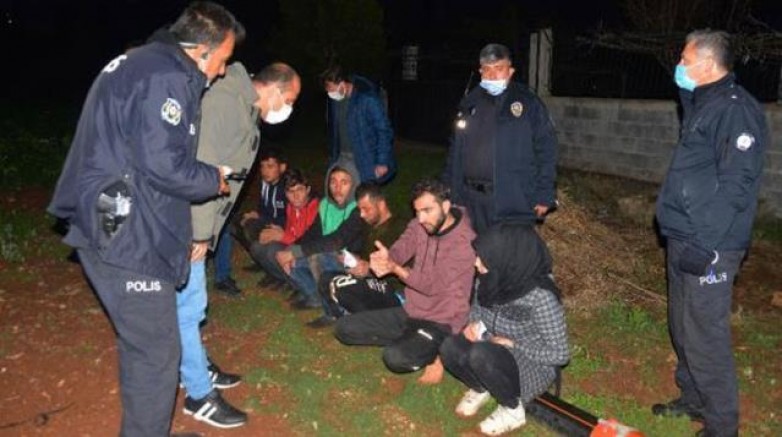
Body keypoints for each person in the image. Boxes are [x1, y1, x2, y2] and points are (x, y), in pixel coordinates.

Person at [46, 2, 241, 435]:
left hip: (113, 218)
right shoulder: (166, 76)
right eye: (224, 59)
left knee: (146, 347)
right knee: (156, 352)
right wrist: (212, 177)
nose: (224, 70)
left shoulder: (145, 64)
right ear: (203, 51)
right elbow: (163, 164)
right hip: (124, 228)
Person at [653, 30, 767, 437]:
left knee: (705, 336)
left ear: (706, 65)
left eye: (685, 60)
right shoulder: (704, 102)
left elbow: (736, 186)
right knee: (682, 326)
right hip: (684, 234)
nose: (678, 67)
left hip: (710, 242)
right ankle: (693, 399)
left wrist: (706, 244)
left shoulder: (736, 110)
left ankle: (722, 427)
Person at [179, 61, 300, 428]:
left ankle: (195, 366)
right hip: (188, 223)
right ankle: (198, 393)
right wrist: (200, 232)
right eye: (290, 99)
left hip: (199, 222)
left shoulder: (244, 106)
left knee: (187, 306)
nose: (290, 107)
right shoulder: (226, 101)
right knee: (188, 308)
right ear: (275, 89)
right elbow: (202, 168)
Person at [334, 178, 476, 384]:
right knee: (343, 328)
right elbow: (401, 249)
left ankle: (440, 350)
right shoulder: (420, 224)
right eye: (417, 211)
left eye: (427, 210)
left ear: (445, 206)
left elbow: (431, 286)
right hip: (411, 311)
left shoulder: (464, 242)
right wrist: (386, 258)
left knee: (394, 358)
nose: (421, 218)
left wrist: (395, 268)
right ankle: (416, 341)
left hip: (442, 321)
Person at [440, 223, 570, 436]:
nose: (475, 262)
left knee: (480, 355)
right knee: (449, 346)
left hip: (530, 362)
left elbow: (560, 354)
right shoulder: (489, 278)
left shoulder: (541, 296)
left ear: (507, 259)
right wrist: (473, 324)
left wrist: (513, 344)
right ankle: (481, 387)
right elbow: (477, 309)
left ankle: (512, 409)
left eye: (482, 257)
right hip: (491, 344)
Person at [443, 43, 557, 234]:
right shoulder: (469, 103)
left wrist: (545, 194)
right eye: (487, 69)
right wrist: (448, 187)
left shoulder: (528, 102)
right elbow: (455, 150)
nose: (492, 75)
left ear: (510, 71)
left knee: (510, 250)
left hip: (512, 198)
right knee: (474, 248)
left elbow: (546, 149)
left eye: (499, 68)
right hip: (471, 199)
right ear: (480, 72)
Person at [306, 182, 404, 328]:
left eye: (366, 209)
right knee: (322, 265)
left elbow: (400, 265)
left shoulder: (400, 227)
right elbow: (362, 256)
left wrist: (368, 268)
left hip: (389, 286)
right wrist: (353, 258)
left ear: (381, 205)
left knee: (340, 283)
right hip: (364, 274)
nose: (362, 214)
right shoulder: (369, 224)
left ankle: (360, 320)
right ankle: (334, 314)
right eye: (360, 209)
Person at [275, 164, 365, 309]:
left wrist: (296, 252)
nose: (337, 188)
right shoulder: (325, 204)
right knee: (292, 260)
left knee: (315, 257)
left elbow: (337, 241)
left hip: (352, 263)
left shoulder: (359, 209)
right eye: (333, 181)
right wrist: (291, 249)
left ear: (354, 184)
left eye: (344, 182)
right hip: (330, 254)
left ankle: (334, 309)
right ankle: (315, 297)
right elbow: (313, 233)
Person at [321, 65, 396, 184]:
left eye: (332, 89)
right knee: (333, 188)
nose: (330, 93)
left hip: (363, 157)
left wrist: (382, 161)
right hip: (341, 156)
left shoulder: (367, 99)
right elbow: (335, 131)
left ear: (342, 83)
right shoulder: (335, 102)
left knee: (359, 193)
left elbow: (384, 130)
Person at [248, 168, 320, 288]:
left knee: (273, 250)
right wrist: (277, 232)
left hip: (310, 252)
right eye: (290, 192)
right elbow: (291, 232)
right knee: (257, 247)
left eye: (299, 190)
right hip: (294, 245)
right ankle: (283, 280)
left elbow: (309, 243)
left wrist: (282, 236)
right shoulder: (291, 207)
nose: (296, 196)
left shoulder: (316, 208)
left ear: (308, 190)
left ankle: (303, 286)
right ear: (285, 193)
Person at [230, 147, 289, 293]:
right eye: (262, 166)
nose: (265, 171)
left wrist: (260, 218)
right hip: (268, 221)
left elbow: (287, 218)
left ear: (282, 167)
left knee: (250, 227)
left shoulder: (287, 187)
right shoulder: (265, 184)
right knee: (234, 222)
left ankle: (268, 262)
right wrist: (256, 214)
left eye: (270, 166)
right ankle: (261, 260)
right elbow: (264, 208)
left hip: (281, 227)